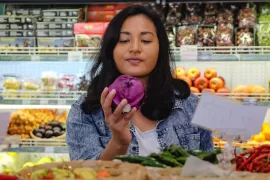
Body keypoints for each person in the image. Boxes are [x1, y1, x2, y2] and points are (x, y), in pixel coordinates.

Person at [66, 5, 213, 161]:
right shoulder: (84, 113)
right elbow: (85, 174)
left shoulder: (192, 107)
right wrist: (118, 143)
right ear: (111, 48)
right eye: (124, 40)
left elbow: (208, 170)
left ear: (160, 48)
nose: (135, 48)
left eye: (145, 40)